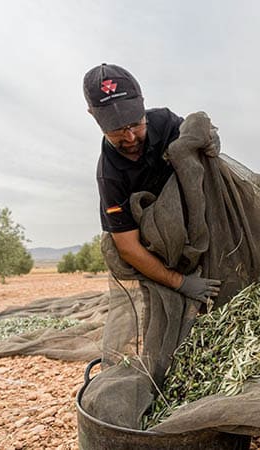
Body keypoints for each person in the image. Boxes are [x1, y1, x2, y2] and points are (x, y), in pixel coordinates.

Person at [83, 63, 220, 302]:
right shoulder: (109, 175)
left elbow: (196, 140)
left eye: (135, 123)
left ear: (142, 103)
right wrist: (180, 283)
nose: (130, 137)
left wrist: (209, 137)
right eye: (117, 129)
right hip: (160, 251)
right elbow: (128, 247)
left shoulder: (165, 123)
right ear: (93, 116)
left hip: (200, 221)